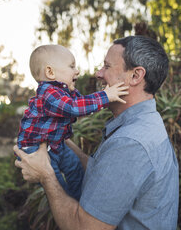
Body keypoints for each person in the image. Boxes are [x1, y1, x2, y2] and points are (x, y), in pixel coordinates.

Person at [14, 36, 179, 229]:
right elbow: (106, 173)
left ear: (135, 76)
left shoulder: (130, 143)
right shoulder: (146, 123)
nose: (98, 73)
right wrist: (55, 137)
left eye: (107, 67)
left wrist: (45, 175)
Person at [17, 44, 128, 200]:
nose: (77, 71)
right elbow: (73, 107)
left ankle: (80, 198)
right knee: (56, 182)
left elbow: (83, 104)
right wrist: (105, 96)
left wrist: (104, 100)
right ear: (50, 72)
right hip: (35, 149)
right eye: (71, 66)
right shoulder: (48, 93)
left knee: (75, 167)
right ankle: (70, 204)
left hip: (55, 145)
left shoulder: (65, 91)